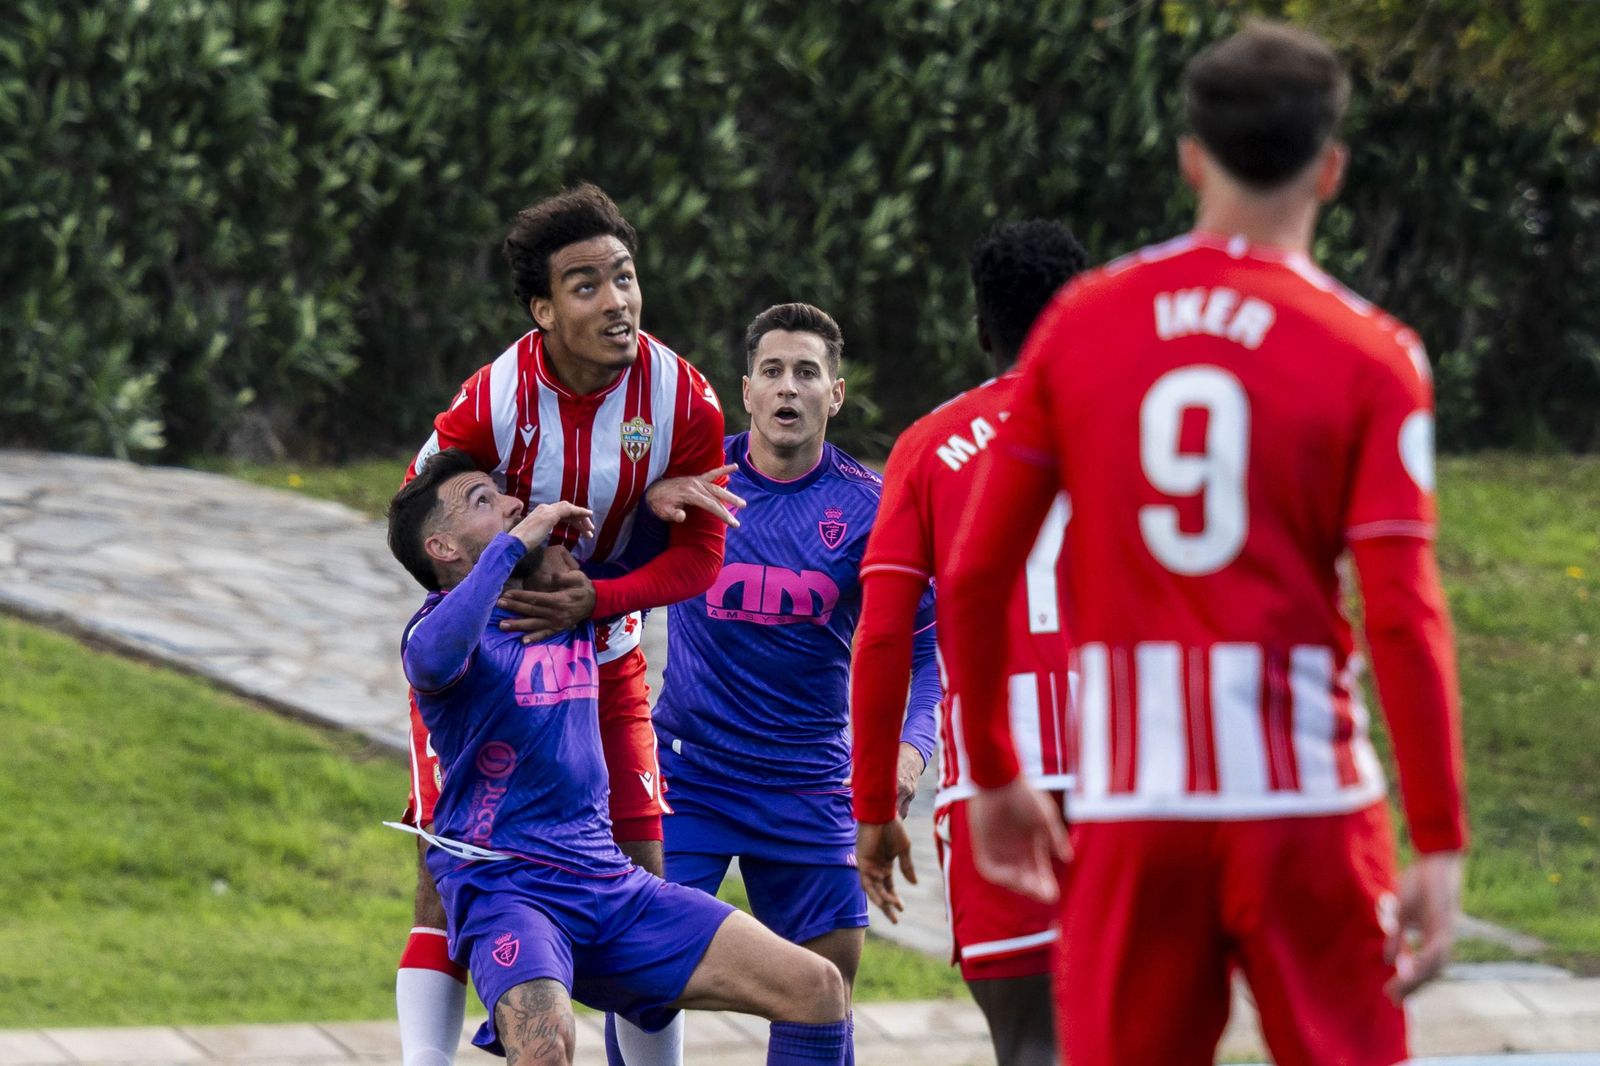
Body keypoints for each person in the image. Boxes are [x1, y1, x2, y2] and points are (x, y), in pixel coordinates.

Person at [940, 22, 1469, 1066]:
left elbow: (976, 576)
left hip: (1135, 805)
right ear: (1331, 168)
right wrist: (1440, 838)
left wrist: (995, 770)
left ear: (1191, 158)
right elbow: (1403, 614)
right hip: (1303, 800)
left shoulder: (1082, 325)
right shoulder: (1374, 354)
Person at [395, 184, 741, 1066]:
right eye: (586, 286)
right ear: (544, 310)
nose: (617, 301)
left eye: (624, 276)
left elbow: (702, 559)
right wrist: (496, 589)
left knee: (646, 873)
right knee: (443, 876)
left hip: (608, 659)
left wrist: (601, 597)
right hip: (485, 676)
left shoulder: (685, 400)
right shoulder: (493, 399)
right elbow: (421, 527)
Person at [385, 448, 851, 1066]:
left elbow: (660, 561)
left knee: (817, 988)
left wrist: (659, 503)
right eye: (483, 500)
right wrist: (510, 546)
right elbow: (433, 657)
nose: (515, 503)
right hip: (507, 886)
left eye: (504, 494)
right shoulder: (433, 631)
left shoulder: (562, 599)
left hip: (608, 881)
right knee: (544, 1047)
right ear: (442, 547)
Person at [650, 302, 942, 1058]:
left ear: (834, 395)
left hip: (810, 789)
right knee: (640, 976)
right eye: (772, 371)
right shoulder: (691, 486)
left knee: (822, 996)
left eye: (806, 373)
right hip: (688, 777)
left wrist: (909, 753)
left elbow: (928, 653)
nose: (789, 387)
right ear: (746, 390)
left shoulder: (872, 509)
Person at [849, 220, 1087, 1066]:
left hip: (996, 780)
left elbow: (884, 638)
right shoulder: (1135, 424)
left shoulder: (927, 447)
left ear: (982, 329)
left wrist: (874, 808)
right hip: (1133, 773)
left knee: (1030, 1047)